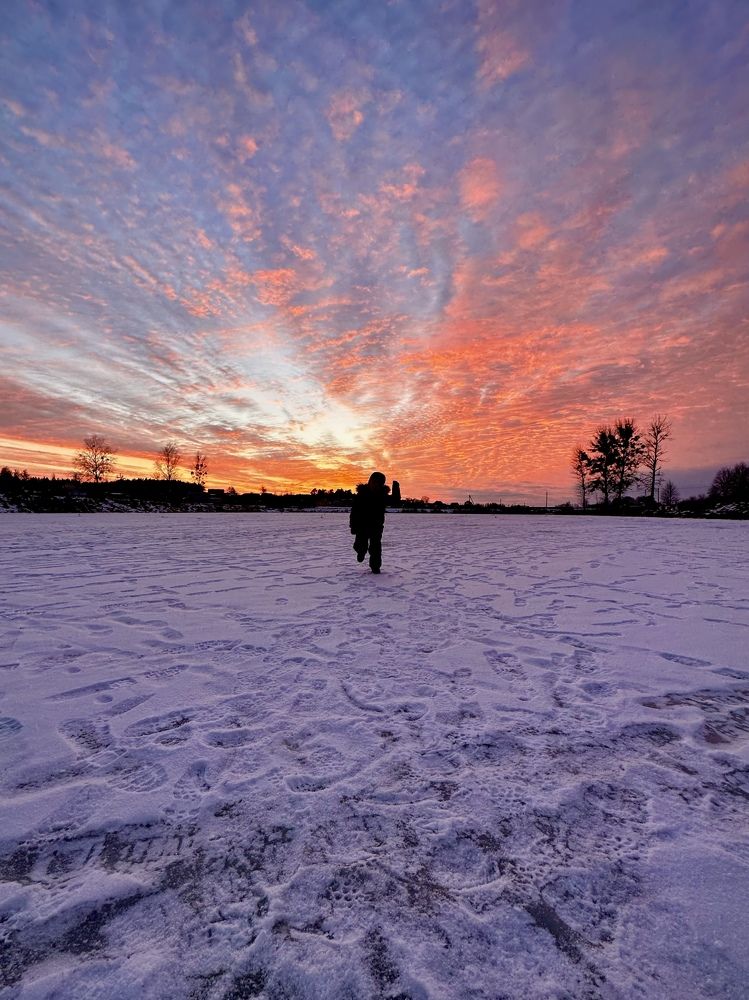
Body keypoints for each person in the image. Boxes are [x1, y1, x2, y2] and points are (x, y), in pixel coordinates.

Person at [349, 471, 390, 573]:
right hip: (362, 526)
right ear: (370, 482)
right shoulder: (361, 495)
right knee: (360, 545)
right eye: (374, 482)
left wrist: (396, 488)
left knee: (375, 547)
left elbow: (395, 501)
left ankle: (375, 567)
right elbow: (354, 512)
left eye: (379, 483)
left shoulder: (382, 496)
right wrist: (353, 526)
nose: (376, 485)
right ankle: (360, 552)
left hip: (376, 526)